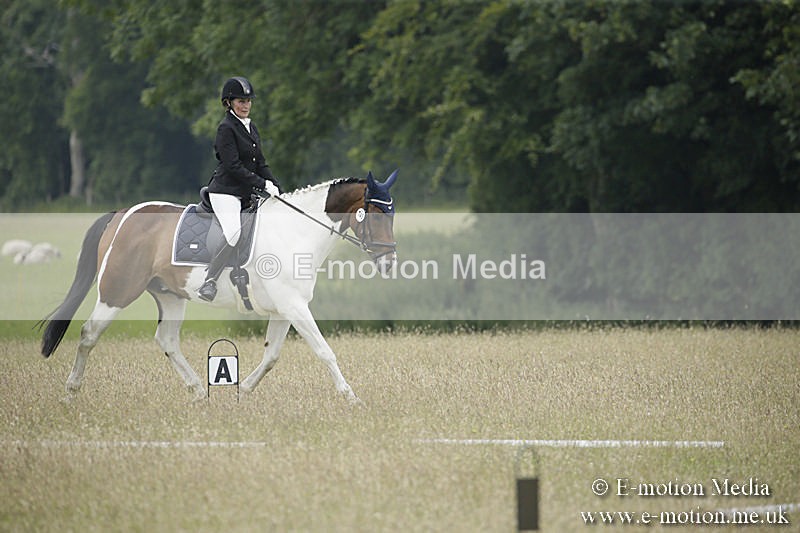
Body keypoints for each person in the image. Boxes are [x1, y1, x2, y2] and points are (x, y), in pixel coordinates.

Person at [197, 76, 281, 302]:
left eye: (248, 101)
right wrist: (262, 184)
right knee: (234, 233)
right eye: (240, 101)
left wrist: (276, 187)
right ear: (229, 103)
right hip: (225, 191)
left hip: (245, 192)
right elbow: (232, 166)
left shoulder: (250, 126)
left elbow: (261, 163)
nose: (245, 105)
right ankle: (210, 281)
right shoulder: (226, 128)